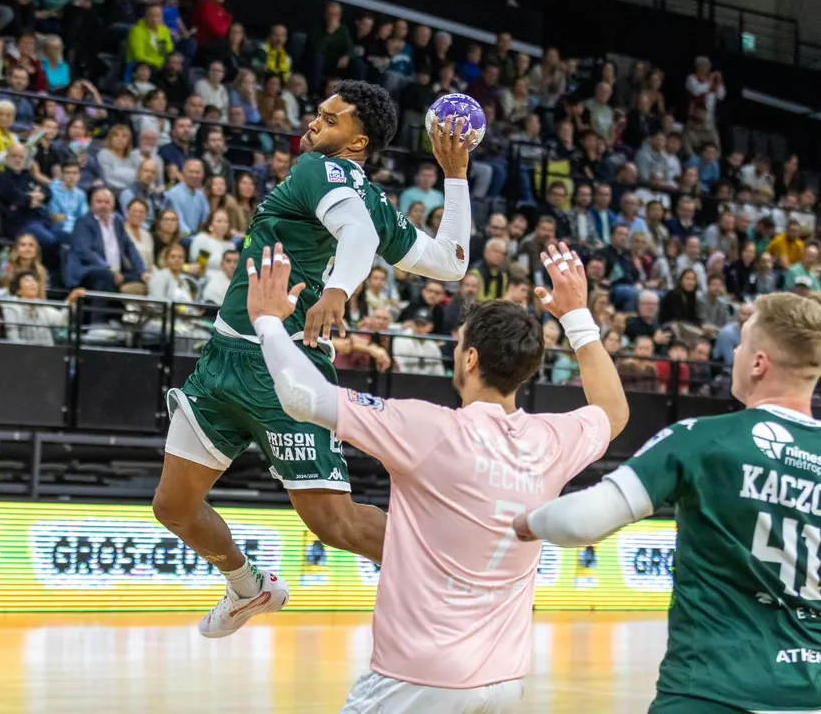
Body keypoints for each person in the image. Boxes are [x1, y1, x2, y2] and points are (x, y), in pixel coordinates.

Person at [243, 240, 627, 713]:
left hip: (416, 681)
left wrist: (264, 319)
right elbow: (612, 410)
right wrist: (576, 316)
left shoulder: (430, 429)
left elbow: (303, 397)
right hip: (503, 683)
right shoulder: (551, 441)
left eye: (461, 341)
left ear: (470, 359)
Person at [152, 80, 473, 638]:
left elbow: (357, 236)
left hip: (283, 368)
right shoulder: (363, 195)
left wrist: (337, 292)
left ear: (357, 142)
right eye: (318, 113)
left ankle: (455, 572)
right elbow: (451, 260)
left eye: (331, 118)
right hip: (227, 356)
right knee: (174, 506)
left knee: (335, 524)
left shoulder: (318, 170)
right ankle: (251, 588)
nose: (315, 123)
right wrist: (457, 178)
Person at [517, 292, 821, 714]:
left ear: (758, 363)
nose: (733, 351)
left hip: (711, 690)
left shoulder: (701, 440)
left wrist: (528, 521)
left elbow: (583, 521)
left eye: (743, 343)